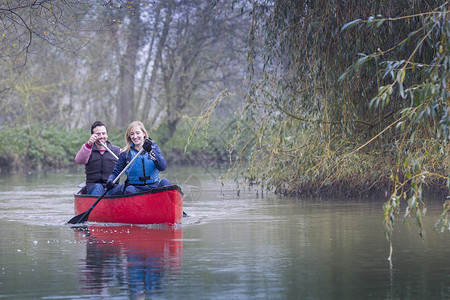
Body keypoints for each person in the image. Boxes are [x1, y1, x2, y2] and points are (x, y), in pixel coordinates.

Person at [106, 121, 170, 195]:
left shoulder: (154, 148)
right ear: (129, 137)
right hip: (135, 188)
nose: (135, 136)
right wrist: (110, 180)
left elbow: (163, 167)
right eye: (132, 134)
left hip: (153, 186)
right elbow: (115, 173)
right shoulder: (125, 153)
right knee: (129, 190)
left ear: (144, 133)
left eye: (137, 133)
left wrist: (151, 151)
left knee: (165, 182)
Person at [75, 121, 121, 195]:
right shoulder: (87, 150)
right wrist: (89, 144)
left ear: (107, 135)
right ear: (92, 135)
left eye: (104, 133)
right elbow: (79, 160)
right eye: (98, 134)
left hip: (112, 188)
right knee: (98, 187)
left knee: (125, 187)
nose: (101, 136)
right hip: (93, 187)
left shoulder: (117, 150)